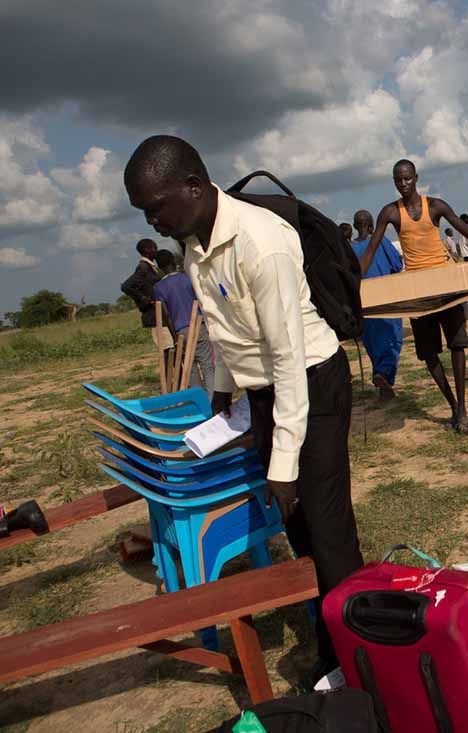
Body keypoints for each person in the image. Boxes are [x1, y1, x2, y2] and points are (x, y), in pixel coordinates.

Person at [124, 135, 362, 682]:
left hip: (311, 385)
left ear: (192, 185)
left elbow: (288, 360)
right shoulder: (194, 242)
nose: (153, 221)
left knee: (327, 529)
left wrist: (282, 466)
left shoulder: (262, 242)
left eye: (156, 207)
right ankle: (334, 646)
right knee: (298, 528)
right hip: (264, 392)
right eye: (144, 212)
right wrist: (222, 392)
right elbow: (226, 324)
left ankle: (356, 658)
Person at [359, 159, 468, 434]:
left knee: (458, 345)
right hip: (418, 292)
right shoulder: (390, 213)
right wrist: (354, 281)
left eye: (407, 178)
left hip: (445, 286)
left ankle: (462, 409)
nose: (403, 183)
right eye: (398, 180)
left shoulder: (435, 206)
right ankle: (452, 403)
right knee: (429, 353)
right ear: (394, 182)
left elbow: (463, 229)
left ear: (416, 178)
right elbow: (371, 248)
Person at [350, 209, 403, 401]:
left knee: (372, 343)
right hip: (387, 299)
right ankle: (383, 375)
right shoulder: (381, 242)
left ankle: (381, 378)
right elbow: (397, 265)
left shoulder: (349, 248)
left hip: (363, 304)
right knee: (392, 340)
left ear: (355, 226)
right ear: (372, 226)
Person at [153, 249, 216, 397]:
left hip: (180, 330)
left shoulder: (159, 287)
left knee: (190, 368)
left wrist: (175, 337)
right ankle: (213, 401)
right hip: (198, 325)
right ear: (174, 262)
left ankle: (200, 402)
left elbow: (166, 314)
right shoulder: (188, 278)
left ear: (160, 268)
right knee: (207, 366)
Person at [121, 238, 173, 373]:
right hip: (154, 315)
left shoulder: (150, 267)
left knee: (169, 348)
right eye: (154, 248)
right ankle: (169, 381)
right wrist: (144, 299)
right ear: (147, 250)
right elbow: (126, 286)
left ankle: (172, 379)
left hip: (160, 314)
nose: (156, 251)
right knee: (167, 348)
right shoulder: (143, 268)